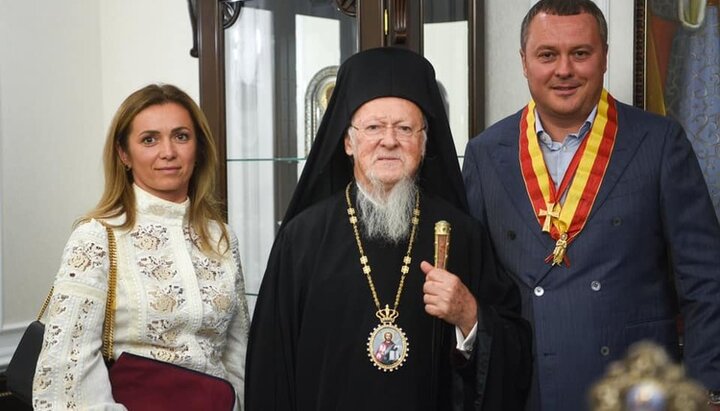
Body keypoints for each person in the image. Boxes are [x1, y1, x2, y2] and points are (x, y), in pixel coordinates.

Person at [462, 1, 720, 409]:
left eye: (580, 53)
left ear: (603, 57)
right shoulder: (484, 154)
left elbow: (707, 281)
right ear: (524, 62)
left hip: (637, 391)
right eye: (547, 55)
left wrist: (708, 391)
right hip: (528, 392)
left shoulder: (660, 143)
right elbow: (479, 289)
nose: (564, 70)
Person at [245, 47, 532, 410]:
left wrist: (468, 314)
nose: (389, 140)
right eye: (374, 127)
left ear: (425, 142)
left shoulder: (461, 234)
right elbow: (271, 370)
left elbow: (514, 354)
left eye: (405, 128)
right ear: (348, 141)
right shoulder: (301, 239)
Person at [32, 84, 250, 410]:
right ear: (124, 154)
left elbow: (238, 350)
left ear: (199, 147)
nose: (168, 152)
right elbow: (68, 365)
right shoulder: (97, 237)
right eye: (149, 139)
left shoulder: (221, 237)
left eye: (181, 136)